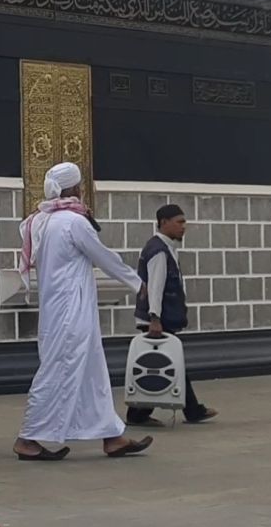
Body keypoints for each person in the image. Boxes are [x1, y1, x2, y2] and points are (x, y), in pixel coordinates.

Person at [13, 162, 154, 461]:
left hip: (65, 308)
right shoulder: (72, 222)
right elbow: (103, 256)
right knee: (57, 370)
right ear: (75, 188)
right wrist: (136, 281)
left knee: (91, 371)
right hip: (69, 311)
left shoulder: (43, 221)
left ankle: (112, 437)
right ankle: (27, 438)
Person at [128, 204, 218, 426]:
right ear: (163, 222)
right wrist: (154, 318)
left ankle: (192, 410)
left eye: (184, 222)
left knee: (172, 364)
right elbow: (155, 287)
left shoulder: (165, 248)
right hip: (158, 320)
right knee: (161, 364)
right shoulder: (159, 251)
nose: (183, 227)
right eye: (179, 222)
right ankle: (138, 415)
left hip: (159, 317)